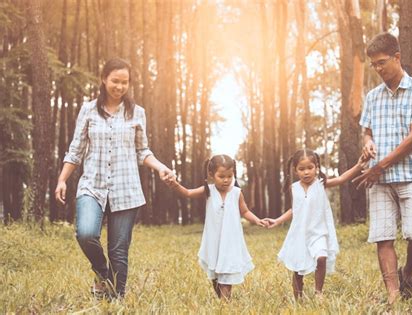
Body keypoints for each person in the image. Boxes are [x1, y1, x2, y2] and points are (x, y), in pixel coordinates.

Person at [54, 58, 174, 298]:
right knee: (86, 233)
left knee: (119, 251)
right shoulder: (88, 110)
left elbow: (143, 151)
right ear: (104, 79)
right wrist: (62, 179)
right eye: (115, 81)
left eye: (125, 82)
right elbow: (76, 150)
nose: (119, 87)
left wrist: (160, 167)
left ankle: (116, 299)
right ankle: (103, 274)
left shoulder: (137, 113)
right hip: (92, 186)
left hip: (126, 188)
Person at [352, 32, 412, 304]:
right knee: (383, 237)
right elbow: (367, 130)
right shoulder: (373, 97)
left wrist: (380, 166)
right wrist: (368, 143)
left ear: (397, 57)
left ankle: (407, 272)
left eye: (382, 62)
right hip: (380, 182)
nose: (378, 69)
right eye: (374, 64)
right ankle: (393, 297)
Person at [264, 149, 367, 300]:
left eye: (310, 168)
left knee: (321, 258)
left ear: (316, 167)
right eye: (301, 169)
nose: (306, 172)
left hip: (319, 232)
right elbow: (294, 209)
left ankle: (318, 292)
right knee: (298, 269)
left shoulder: (321, 184)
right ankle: (298, 297)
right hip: (300, 234)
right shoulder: (294, 188)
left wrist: (358, 166)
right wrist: (278, 220)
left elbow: (342, 178)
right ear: (295, 170)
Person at [165, 154, 267, 300]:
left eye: (230, 176)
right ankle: (221, 298)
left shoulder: (236, 192)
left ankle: (225, 304)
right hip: (213, 240)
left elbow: (244, 211)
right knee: (215, 275)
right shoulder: (208, 190)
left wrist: (257, 220)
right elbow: (187, 193)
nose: (226, 180)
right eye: (221, 176)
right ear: (211, 175)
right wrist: (174, 184)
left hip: (230, 240)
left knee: (227, 272)